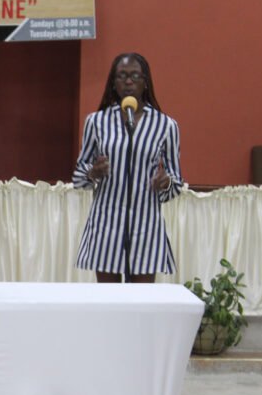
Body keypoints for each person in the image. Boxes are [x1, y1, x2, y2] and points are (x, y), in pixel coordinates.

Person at [73, 53, 183, 283]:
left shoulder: (166, 126)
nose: (129, 82)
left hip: (146, 226)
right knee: (109, 303)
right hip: (106, 226)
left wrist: (166, 182)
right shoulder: (96, 122)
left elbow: (176, 181)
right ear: (113, 83)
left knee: (141, 304)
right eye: (122, 76)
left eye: (135, 76)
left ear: (145, 82)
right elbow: (78, 176)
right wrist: (93, 173)